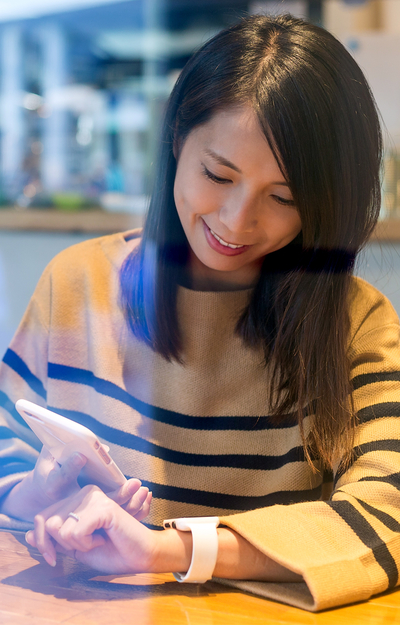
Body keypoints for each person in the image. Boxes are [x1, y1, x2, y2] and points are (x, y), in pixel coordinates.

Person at [0, 13, 399, 612]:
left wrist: (169, 550)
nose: (238, 221)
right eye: (218, 174)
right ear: (175, 144)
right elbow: (7, 451)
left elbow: (386, 515)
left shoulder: (354, 324)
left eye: (283, 197)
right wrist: (41, 491)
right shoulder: (79, 284)